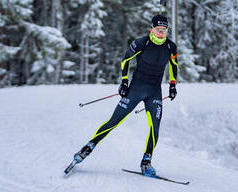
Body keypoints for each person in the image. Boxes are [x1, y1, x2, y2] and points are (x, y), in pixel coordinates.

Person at [72, 14, 178, 176]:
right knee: (114, 121)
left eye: (164, 30)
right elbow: (125, 60)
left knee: (154, 128)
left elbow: (174, 65)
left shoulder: (171, 47)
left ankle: (146, 162)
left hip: (154, 92)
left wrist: (172, 86)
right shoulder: (141, 43)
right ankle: (87, 148)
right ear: (152, 29)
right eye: (158, 30)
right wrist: (124, 82)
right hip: (136, 89)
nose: (161, 33)